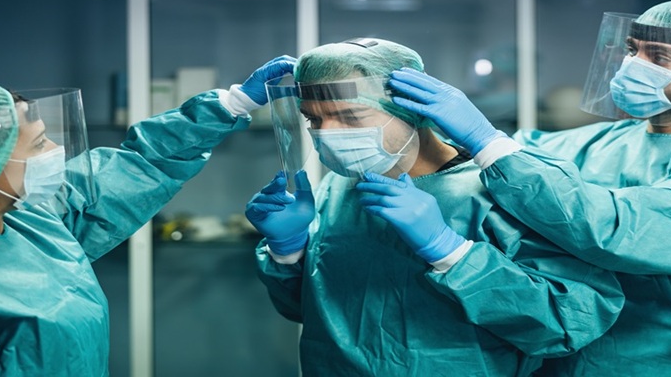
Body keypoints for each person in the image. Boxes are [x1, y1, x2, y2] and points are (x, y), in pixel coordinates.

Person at [388, 0, 671, 375]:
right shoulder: (597, 141)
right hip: (564, 360)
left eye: (660, 57)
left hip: (667, 363)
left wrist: (486, 141)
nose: (633, 66)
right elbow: (515, 163)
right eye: (631, 50)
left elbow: (619, 230)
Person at [245, 38, 624, 376]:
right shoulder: (339, 187)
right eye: (314, 118)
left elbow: (566, 325)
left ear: (412, 109)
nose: (326, 134)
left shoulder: (497, 193)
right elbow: (314, 312)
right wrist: (288, 252)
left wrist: (452, 253)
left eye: (350, 117)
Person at [0, 55, 295, 376]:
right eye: (39, 144)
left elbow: (141, 165)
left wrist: (232, 104)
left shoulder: (37, 220)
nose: (56, 151)